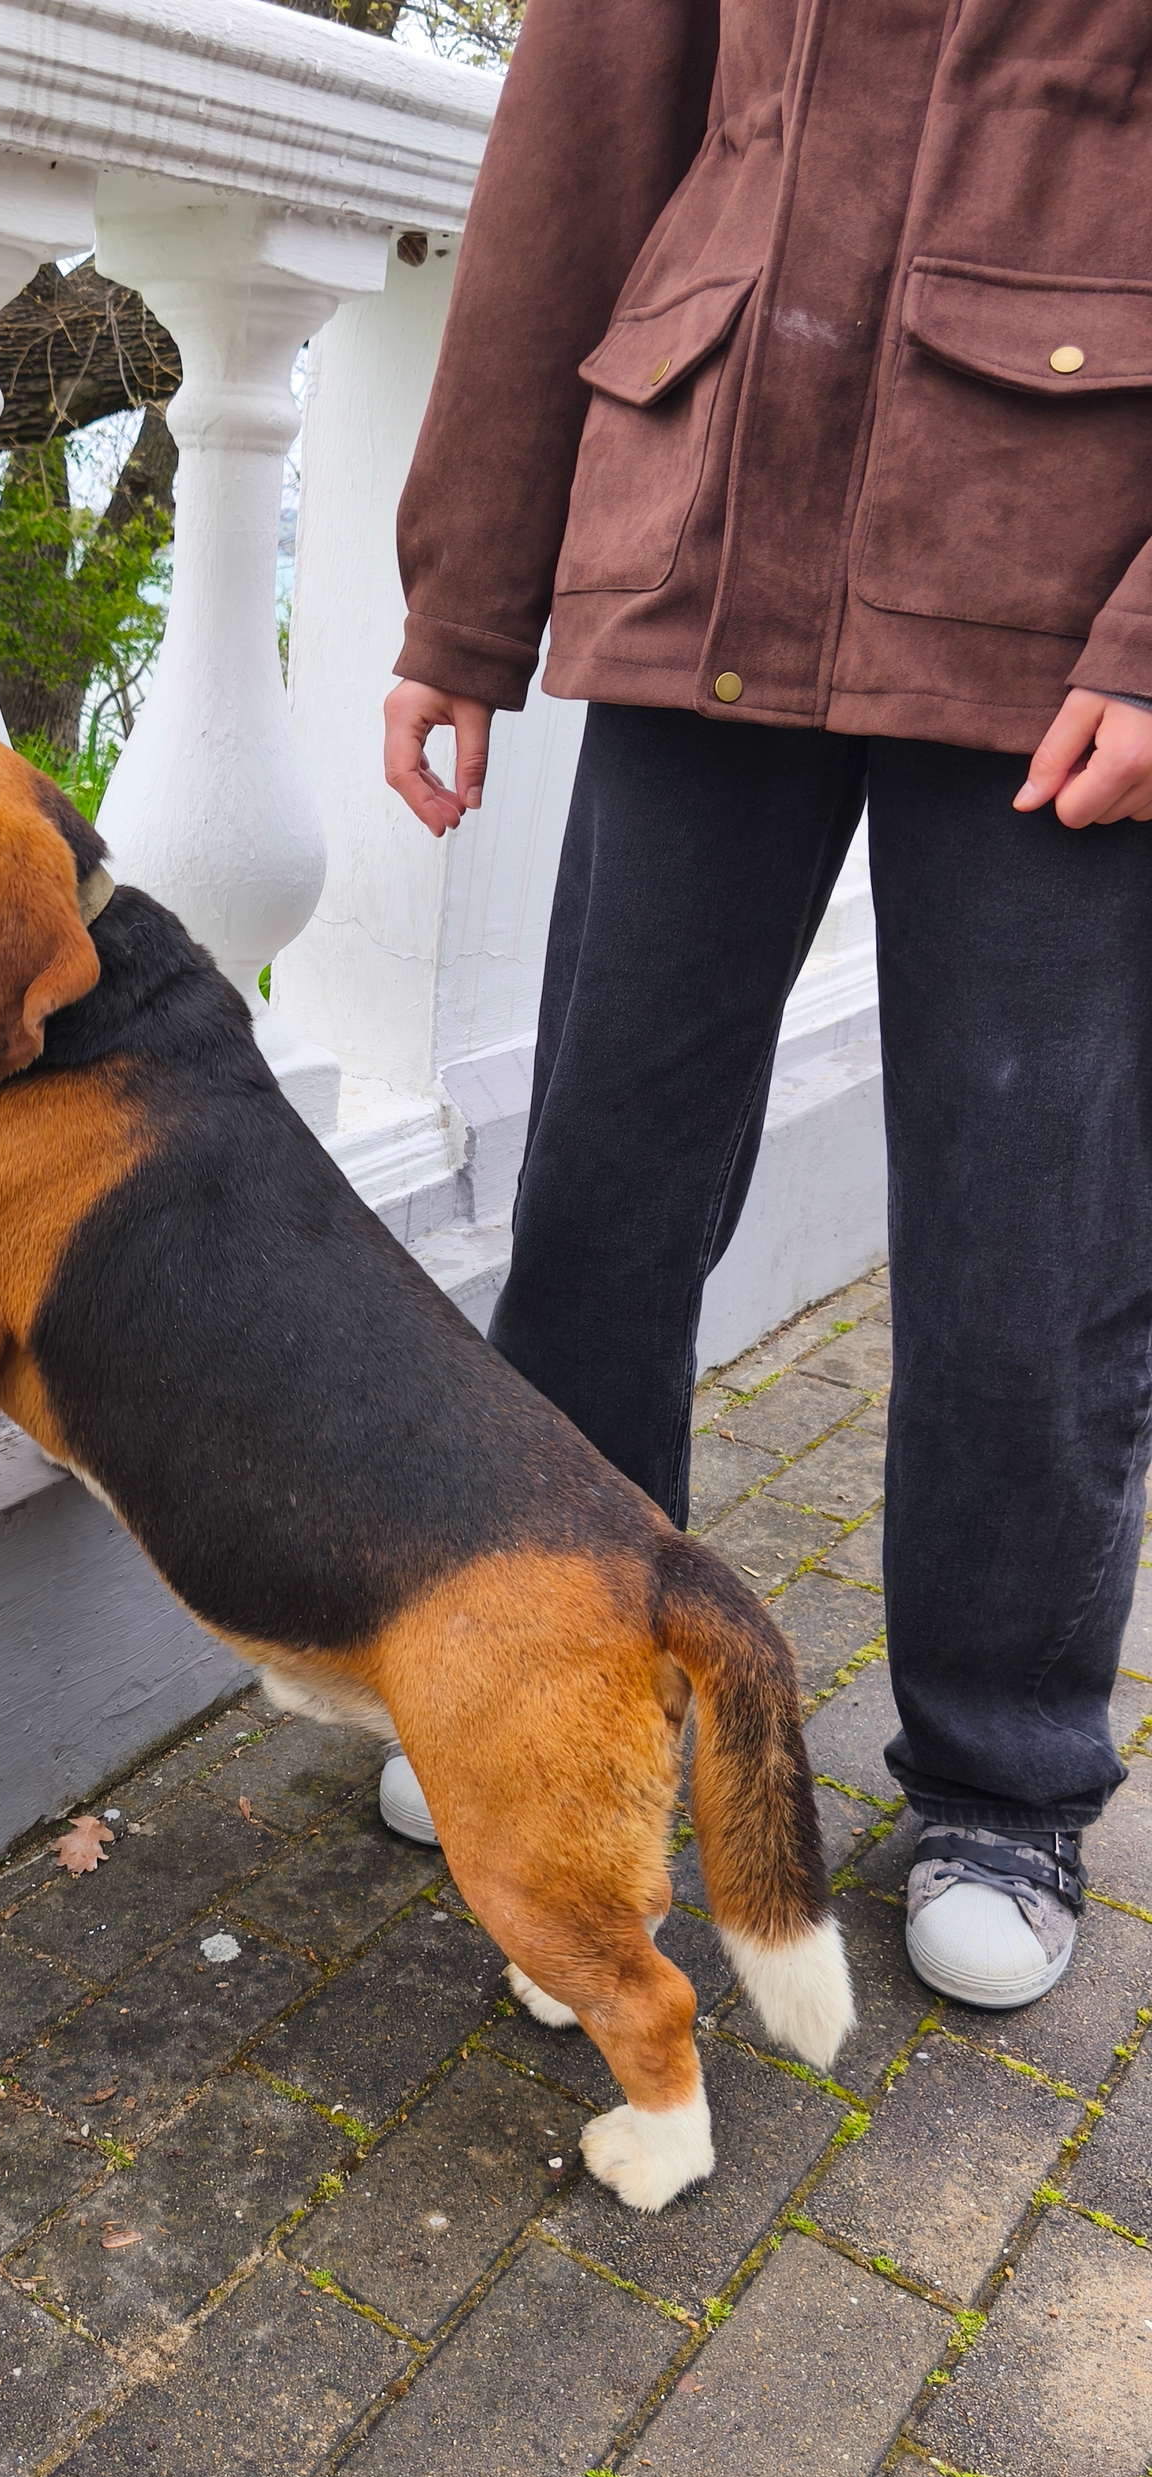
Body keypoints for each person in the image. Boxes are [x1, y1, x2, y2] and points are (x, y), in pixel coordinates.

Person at [372, 0, 1152, 2013]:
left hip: (1051, 586)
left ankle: (1002, 1772)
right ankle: (552, 1688)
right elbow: (578, 145)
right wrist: (465, 597)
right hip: (703, 536)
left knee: (1028, 1243)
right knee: (605, 1192)